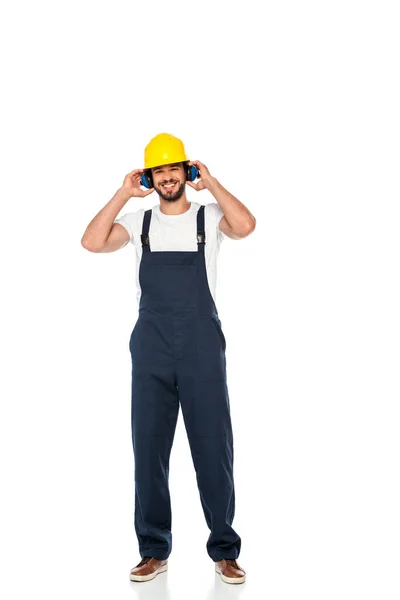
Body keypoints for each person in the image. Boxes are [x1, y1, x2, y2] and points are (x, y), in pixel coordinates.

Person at [81, 133, 256, 584]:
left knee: (214, 449)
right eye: (158, 171)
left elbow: (247, 225)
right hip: (152, 350)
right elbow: (91, 242)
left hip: (201, 349)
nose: (167, 177)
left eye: (174, 168)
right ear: (149, 177)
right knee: (149, 450)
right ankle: (153, 550)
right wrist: (123, 192)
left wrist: (213, 184)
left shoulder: (208, 216)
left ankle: (224, 550)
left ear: (187, 171)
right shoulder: (138, 224)